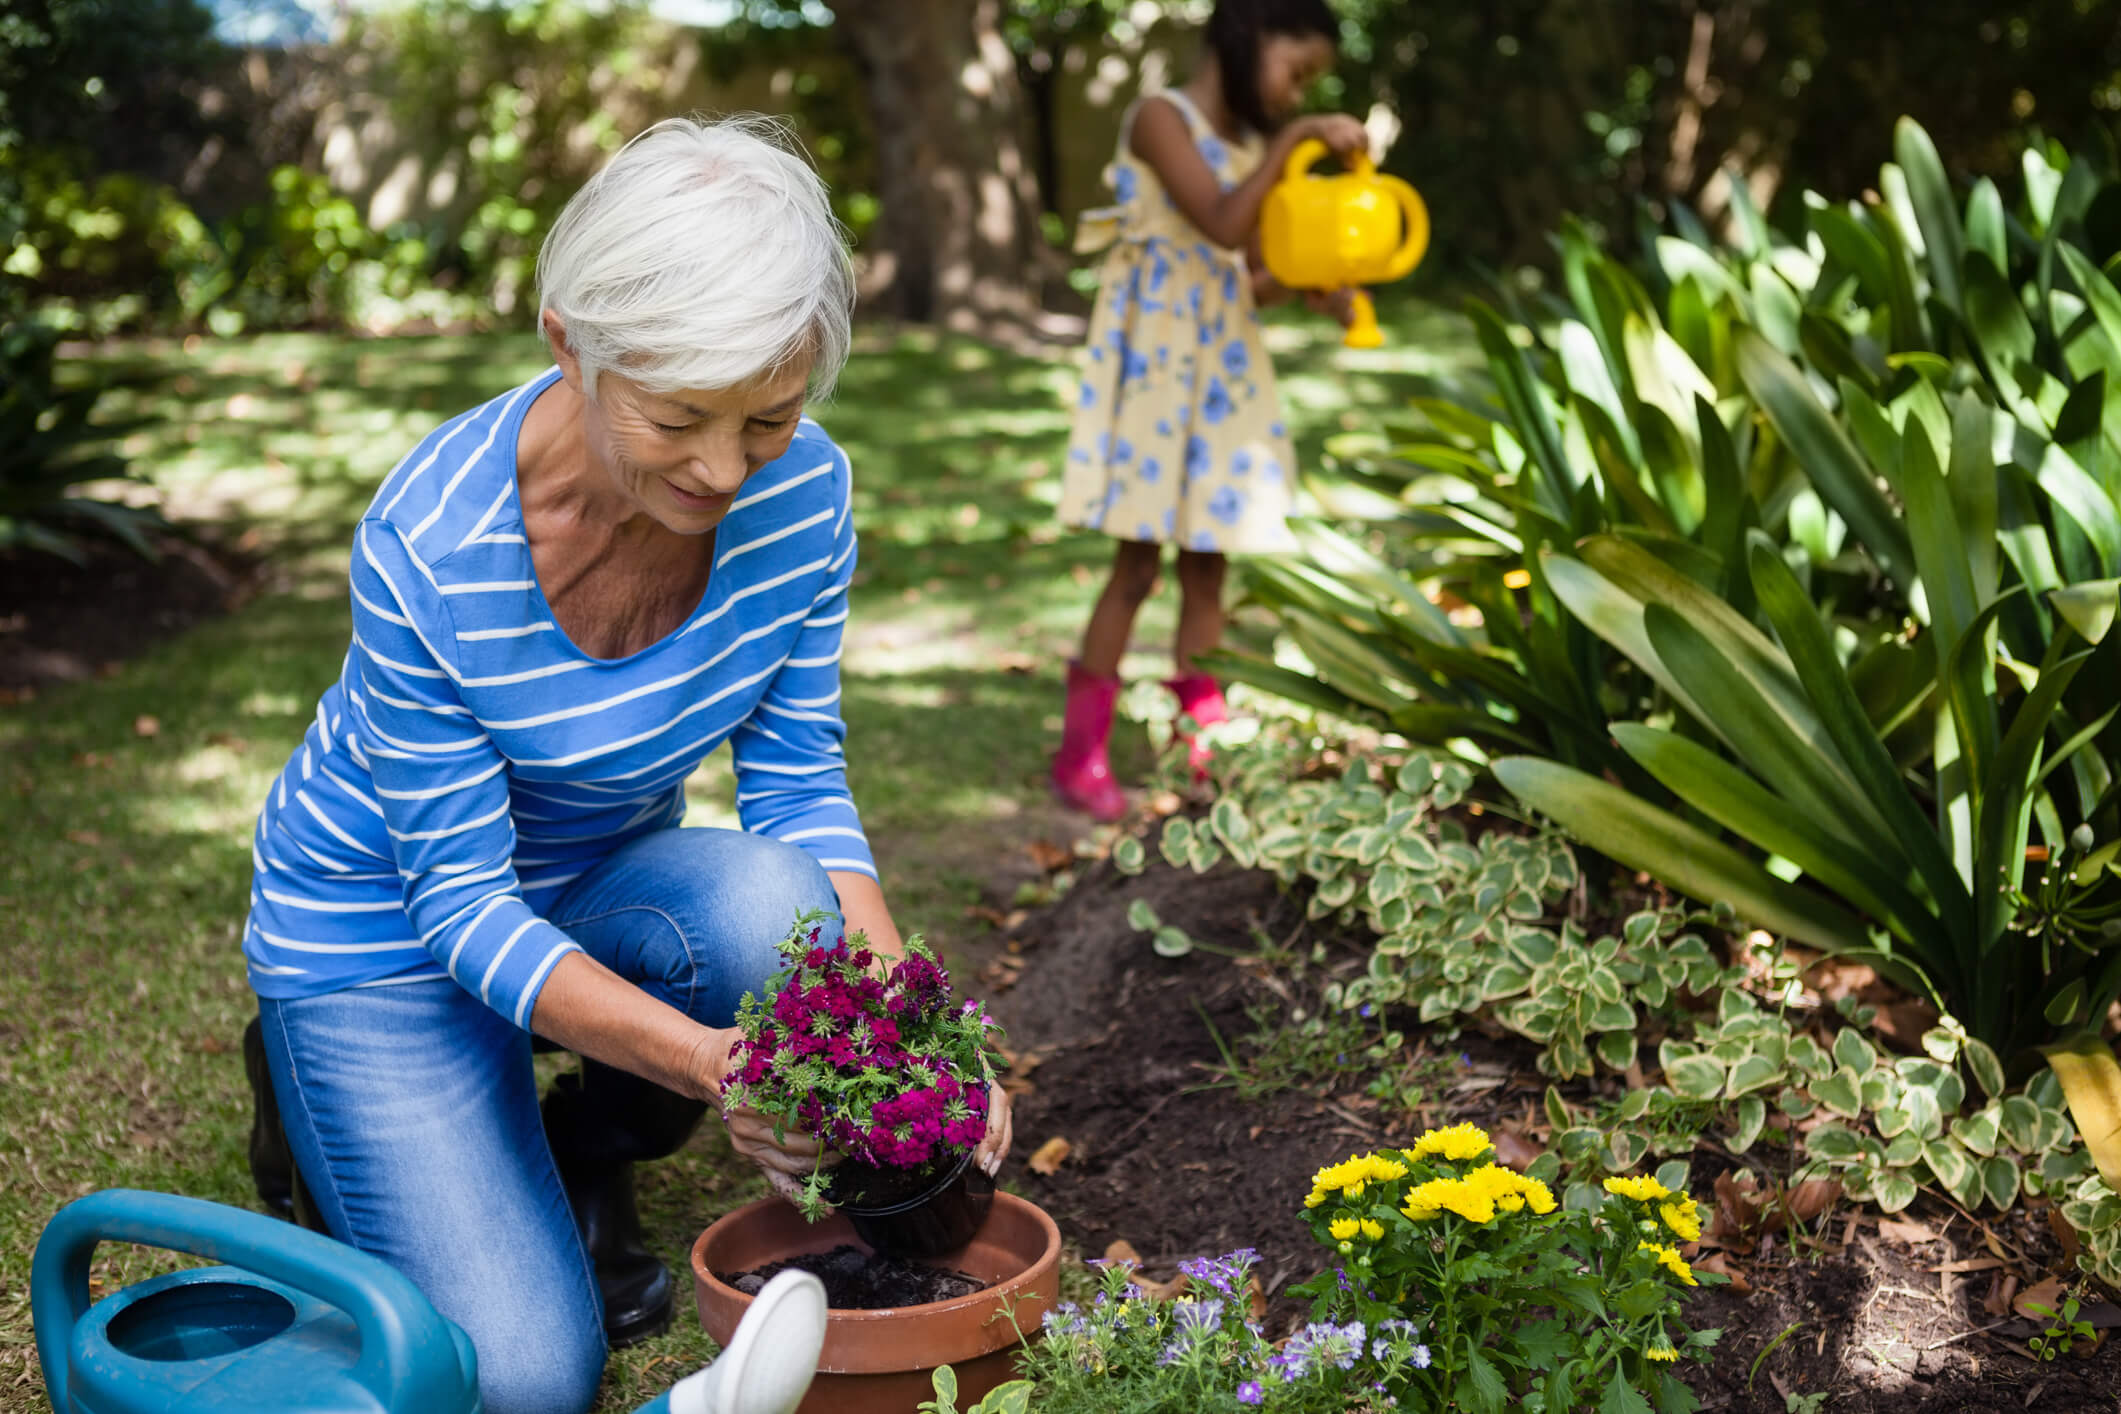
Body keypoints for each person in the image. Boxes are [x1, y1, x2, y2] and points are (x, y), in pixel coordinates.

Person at [235, 115, 1012, 1414]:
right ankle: (310, 1076)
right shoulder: (431, 539)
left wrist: (911, 1029)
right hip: (383, 932)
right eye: (677, 418)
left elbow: (801, 784)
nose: (722, 469)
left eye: (768, 415)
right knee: (530, 1379)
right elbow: (462, 907)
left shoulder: (805, 494)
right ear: (568, 345)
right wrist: (720, 1067)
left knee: (779, 909)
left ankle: (575, 1140)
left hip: (594, 878)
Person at [1051, 0, 1366, 820]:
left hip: (1218, 375)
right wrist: (1295, 146)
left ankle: (1204, 745)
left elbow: (1248, 271)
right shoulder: (1161, 118)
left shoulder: (1257, 147)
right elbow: (1222, 224)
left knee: (1208, 564)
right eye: (1295, 72)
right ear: (1249, 34)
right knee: (1137, 566)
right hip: (1156, 372)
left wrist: (1310, 285)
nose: (1297, 96)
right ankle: (1079, 752)